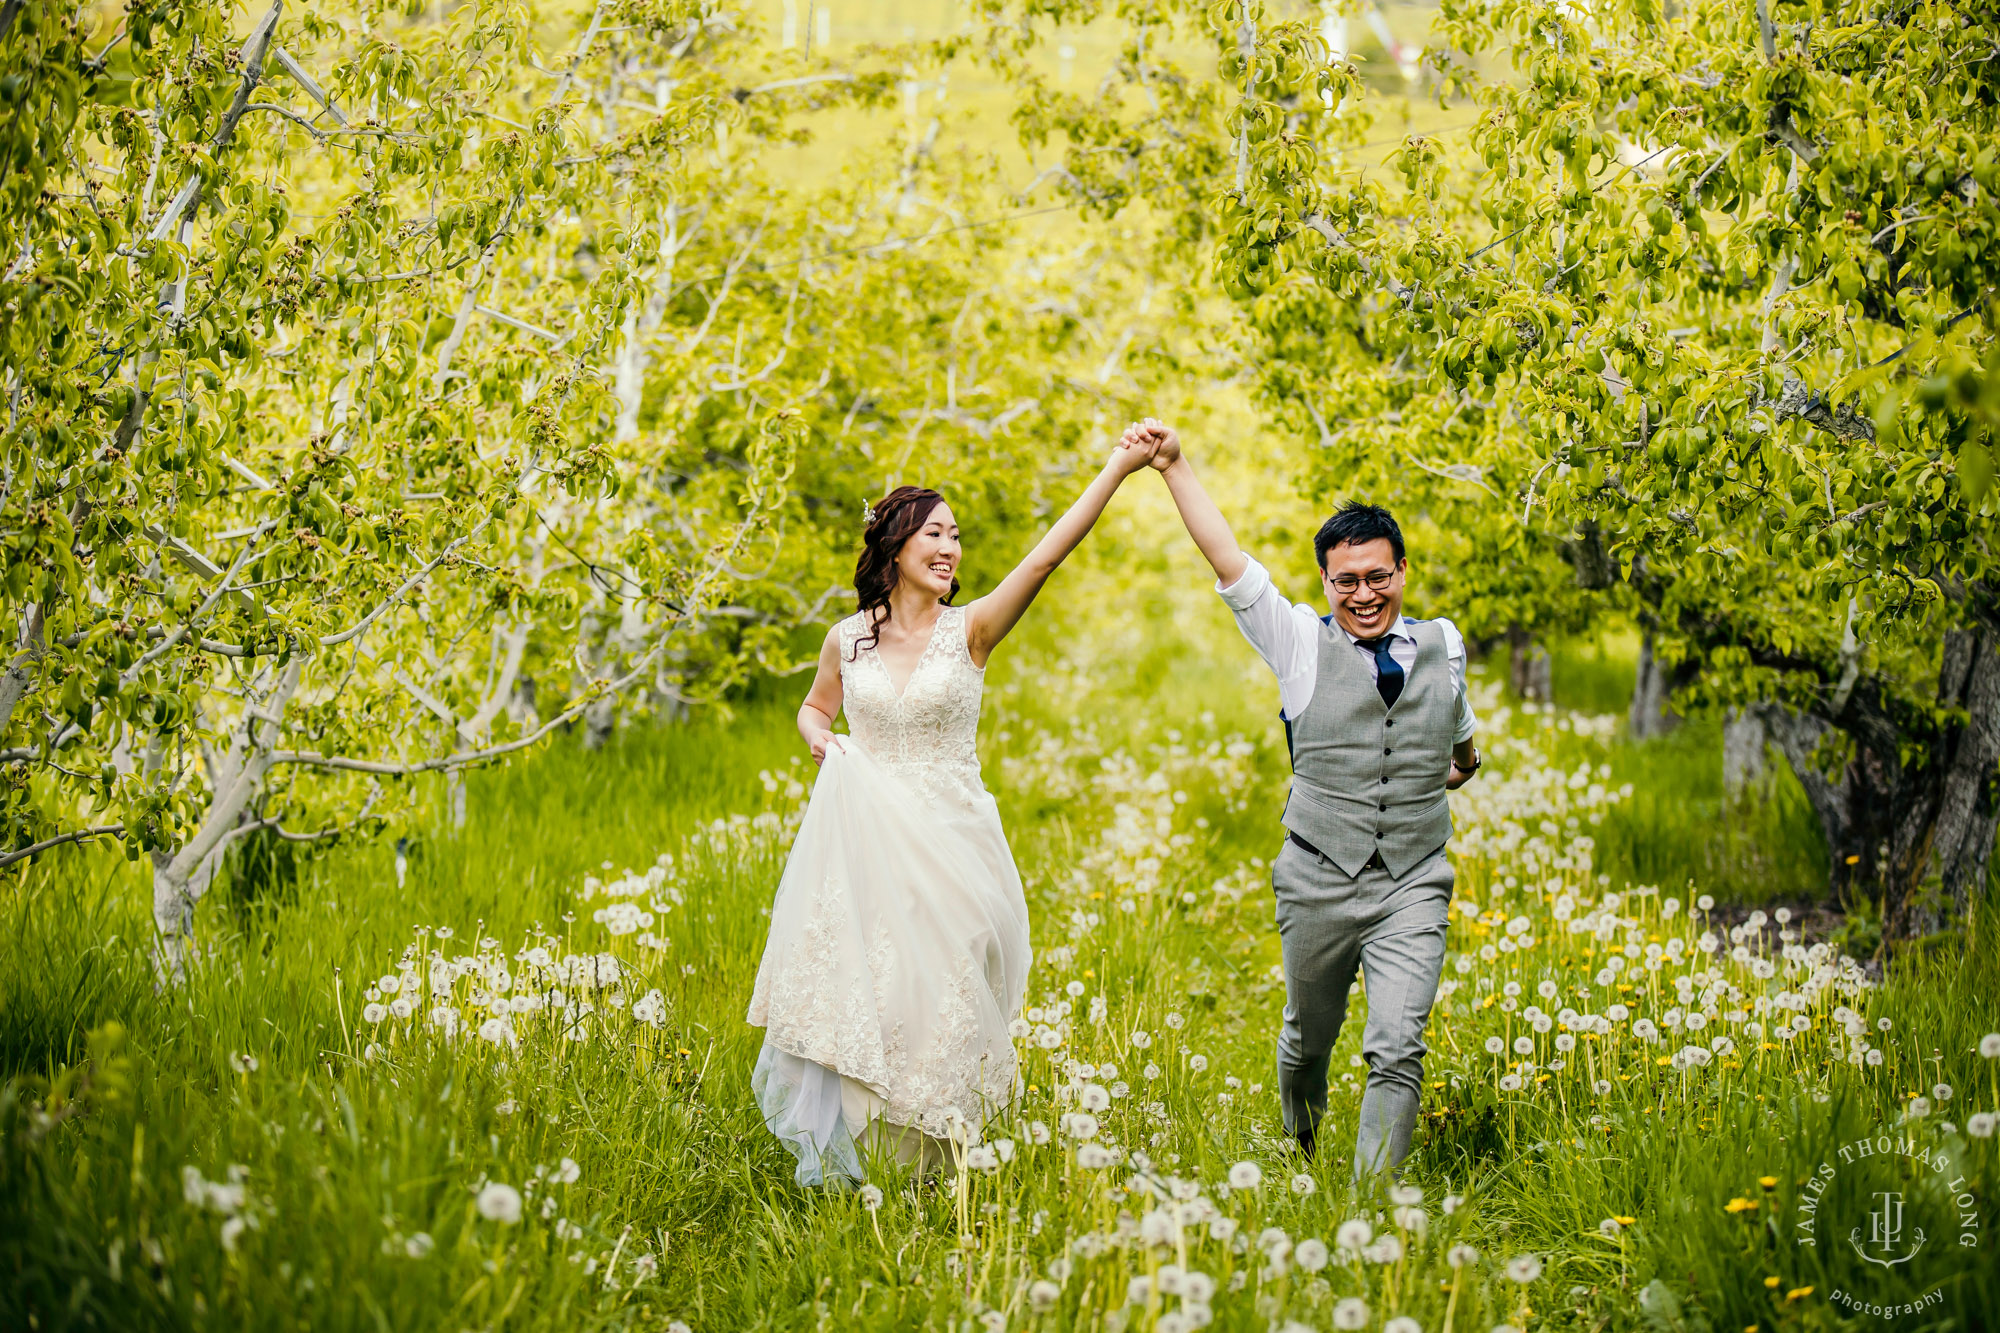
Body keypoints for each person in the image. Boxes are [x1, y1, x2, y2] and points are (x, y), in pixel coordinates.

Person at [745, 431, 1163, 1186]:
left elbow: (1044, 558)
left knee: (951, 985)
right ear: (897, 543)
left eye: (957, 537)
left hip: (954, 838)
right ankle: (875, 1162)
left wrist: (1118, 467)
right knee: (876, 986)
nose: (951, 548)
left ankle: (947, 1156)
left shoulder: (969, 631)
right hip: (868, 837)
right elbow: (814, 709)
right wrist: (824, 744)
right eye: (936, 532)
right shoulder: (848, 640)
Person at [1124, 416, 1480, 1180]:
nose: (1363, 593)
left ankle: (1367, 1205)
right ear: (1325, 581)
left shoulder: (1444, 643)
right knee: (1308, 1038)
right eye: (1346, 579)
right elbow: (1228, 559)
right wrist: (1175, 465)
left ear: (1402, 571)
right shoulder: (1295, 642)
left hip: (1415, 877)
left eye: (1378, 576)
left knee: (1397, 1043)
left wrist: (1462, 765)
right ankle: (1302, 1137)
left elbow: (1457, 724)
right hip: (1319, 874)